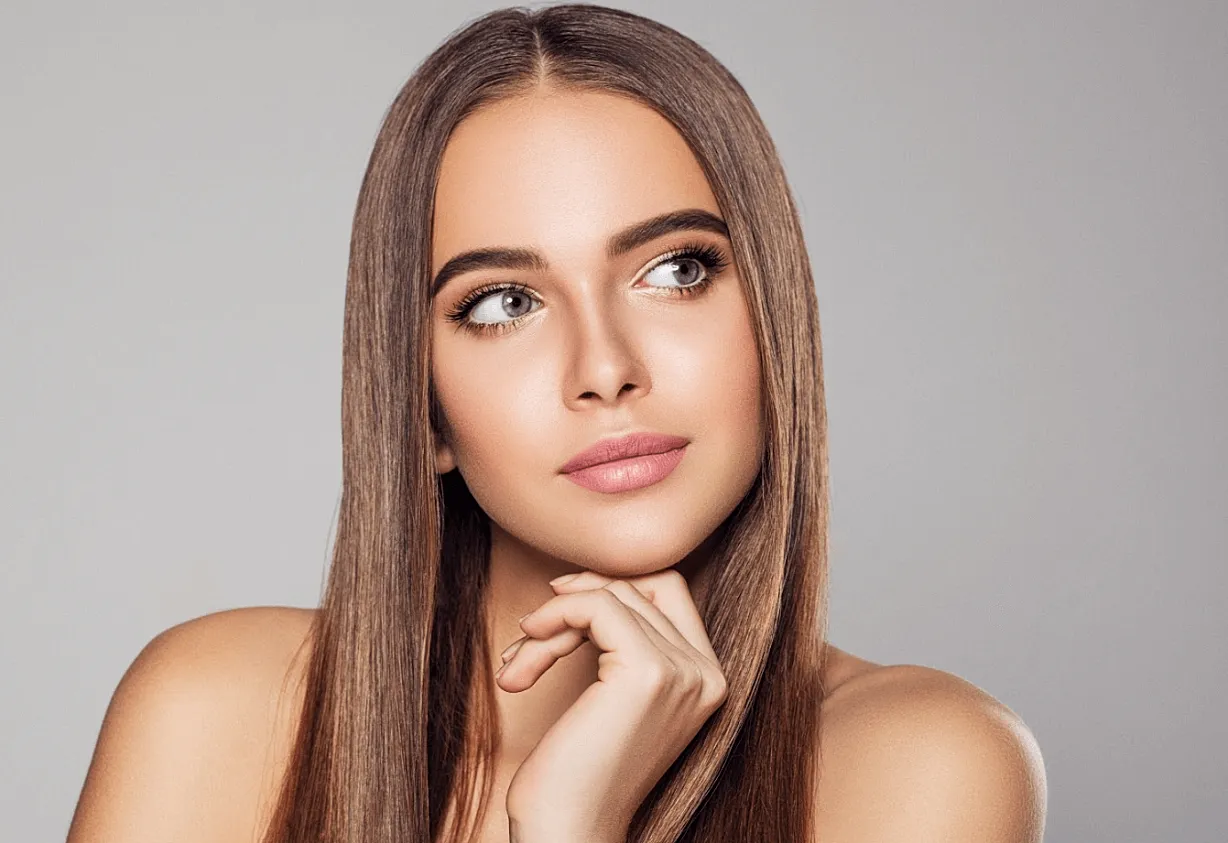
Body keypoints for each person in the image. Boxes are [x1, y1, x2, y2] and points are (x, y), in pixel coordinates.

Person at [64, 5, 1047, 842]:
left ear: (776, 324)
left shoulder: (917, 764)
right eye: (502, 303)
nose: (606, 369)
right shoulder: (223, 711)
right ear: (426, 411)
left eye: (677, 271)